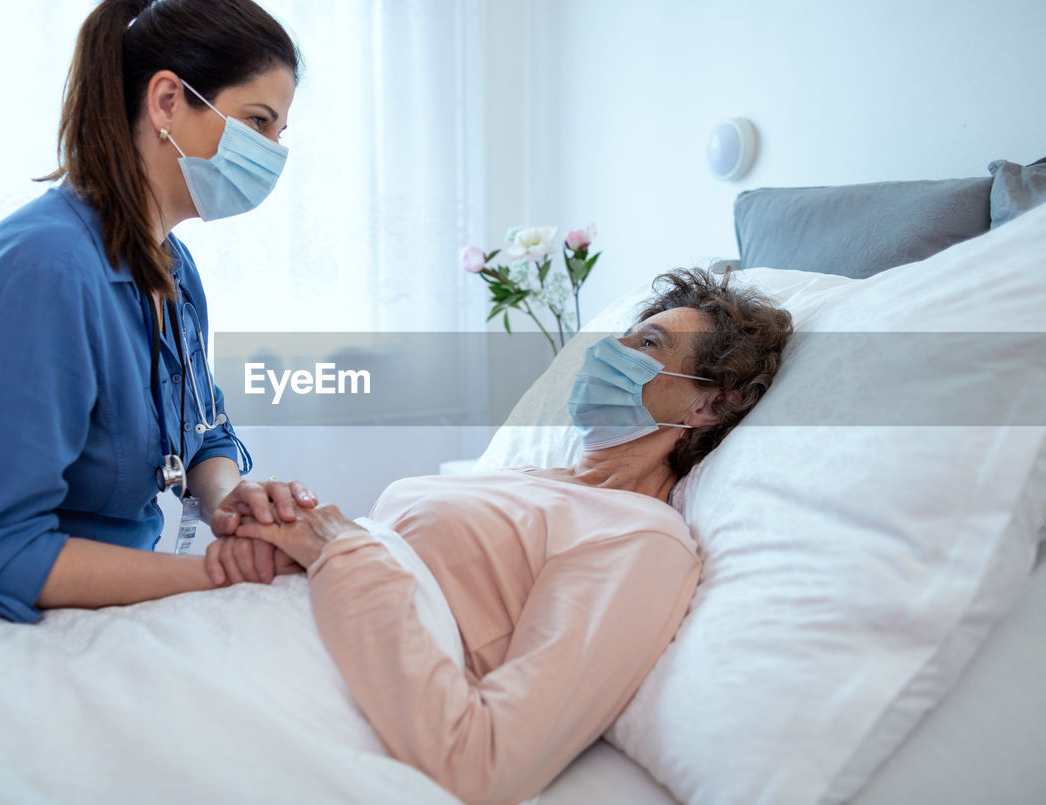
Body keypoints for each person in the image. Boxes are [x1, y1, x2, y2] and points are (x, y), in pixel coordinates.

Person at [226, 268, 795, 804]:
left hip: (298, 700)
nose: (606, 354)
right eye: (618, 338)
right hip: (258, 635)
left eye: (647, 345)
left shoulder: (641, 538)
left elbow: (486, 764)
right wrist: (290, 535)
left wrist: (337, 549)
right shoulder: (522, 480)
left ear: (710, 404)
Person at [0, 0, 314, 623]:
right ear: (168, 101)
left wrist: (231, 501)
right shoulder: (38, 273)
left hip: (108, 610)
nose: (273, 154)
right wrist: (215, 574)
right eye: (258, 123)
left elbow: (202, 432)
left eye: (280, 132)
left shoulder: (169, 264)